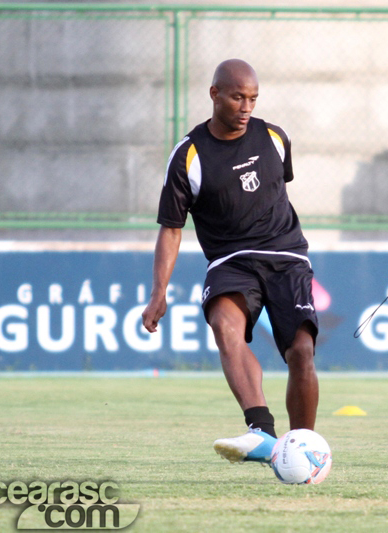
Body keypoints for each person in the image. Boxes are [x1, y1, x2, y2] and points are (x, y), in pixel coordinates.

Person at [142, 59, 319, 466]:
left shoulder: (275, 137)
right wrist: (158, 292)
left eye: (253, 98)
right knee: (226, 325)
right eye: (238, 96)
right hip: (231, 260)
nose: (246, 107)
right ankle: (261, 430)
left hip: (286, 255)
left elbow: (278, 190)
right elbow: (171, 228)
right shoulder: (188, 155)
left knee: (302, 351)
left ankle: (302, 449)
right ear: (215, 94)